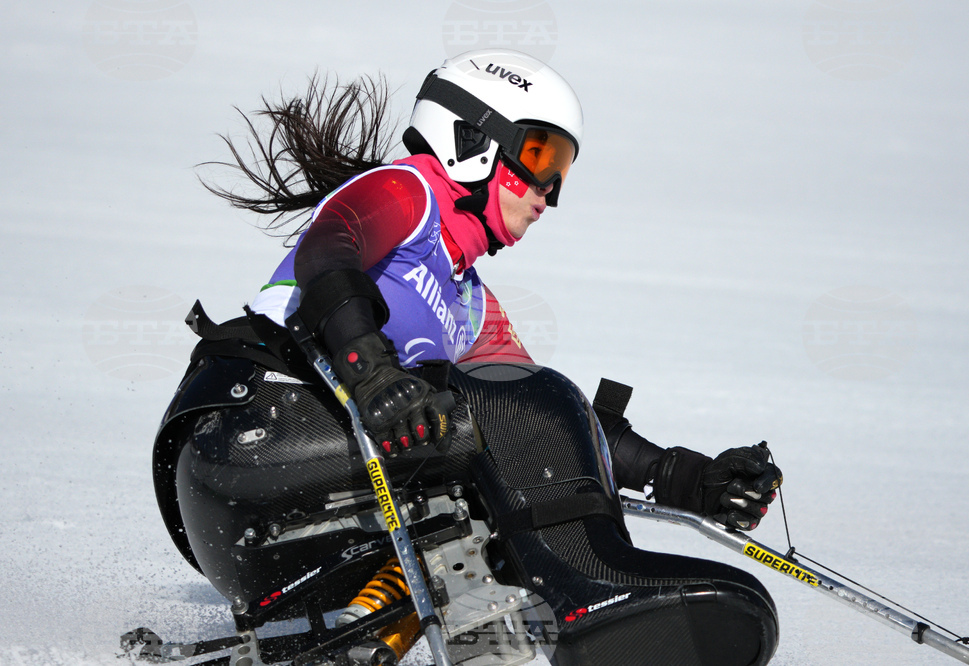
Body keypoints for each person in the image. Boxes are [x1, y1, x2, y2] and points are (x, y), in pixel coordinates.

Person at [199, 48, 781, 532]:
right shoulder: (407, 192)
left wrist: (686, 478)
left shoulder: (471, 304)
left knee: (532, 415)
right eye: (538, 156)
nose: (548, 192)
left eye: (562, 171)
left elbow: (544, 414)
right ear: (473, 139)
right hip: (247, 424)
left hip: (307, 486)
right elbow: (326, 250)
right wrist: (370, 368)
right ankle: (594, 596)